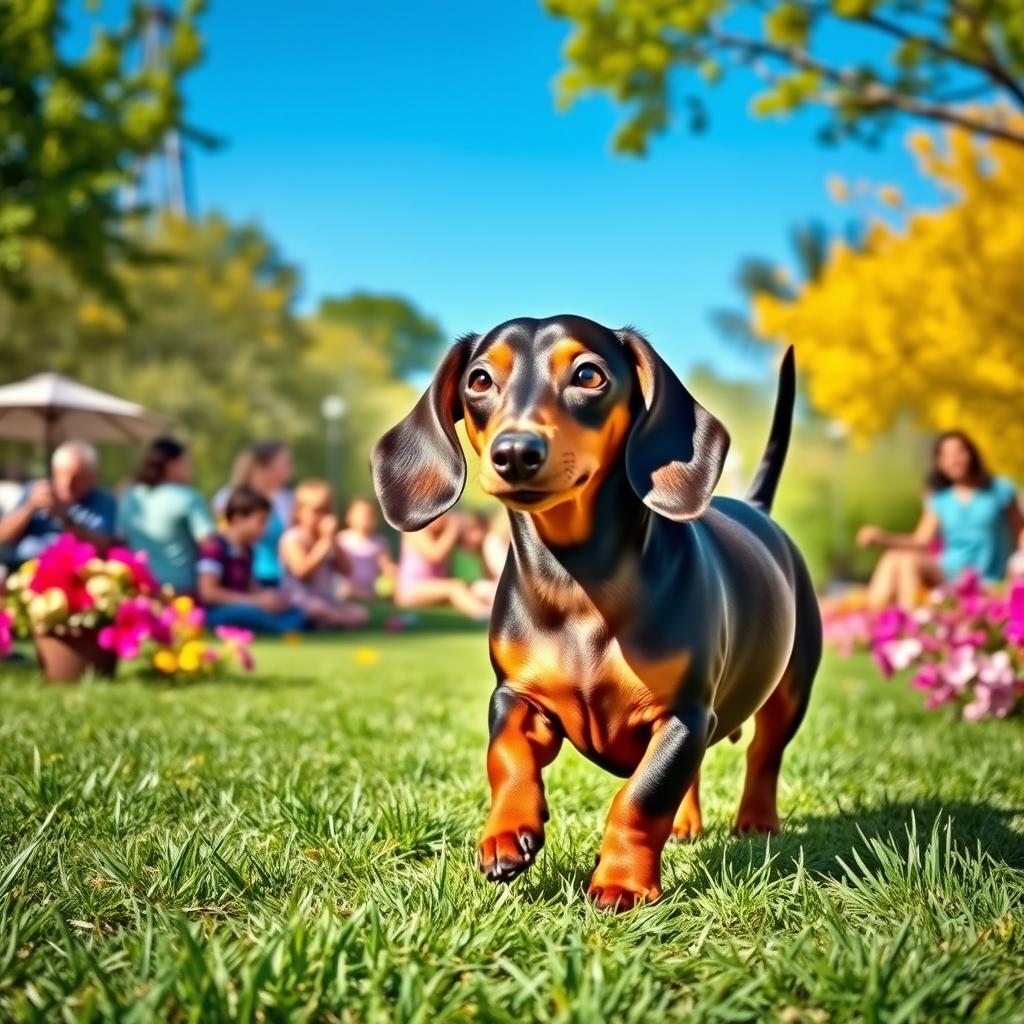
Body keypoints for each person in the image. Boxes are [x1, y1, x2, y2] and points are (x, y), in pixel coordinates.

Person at [857, 430, 1024, 609]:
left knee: (906, 560)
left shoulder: (999, 490)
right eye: (946, 455)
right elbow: (921, 541)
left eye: (959, 452)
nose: (953, 459)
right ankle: (885, 616)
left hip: (985, 574)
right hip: (949, 570)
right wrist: (882, 538)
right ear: (939, 463)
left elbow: (1021, 530)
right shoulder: (940, 500)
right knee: (894, 557)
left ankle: (907, 623)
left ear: (972, 454)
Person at [197, 485, 306, 634]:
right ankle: (281, 627)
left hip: (247, 606)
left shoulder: (248, 550)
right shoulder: (215, 547)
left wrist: (270, 599)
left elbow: (251, 588)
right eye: (261, 521)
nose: (265, 528)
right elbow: (208, 593)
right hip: (218, 612)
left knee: (295, 612)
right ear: (238, 519)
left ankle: (283, 625)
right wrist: (256, 602)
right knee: (248, 614)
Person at [117, 437, 215, 594]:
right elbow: (210, 544)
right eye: (186, 463)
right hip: (182, 591)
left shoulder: (131, 498)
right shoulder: (187, 498)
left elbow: (121, 541)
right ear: (171, 465)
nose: (190, 469)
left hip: (140, 589)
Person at [0, 441, 116, 566]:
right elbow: (3, 536)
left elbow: (103, 545)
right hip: (22, 566)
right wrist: (29, 508)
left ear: (93, 477)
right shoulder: (34, 491)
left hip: (75, 571)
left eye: (77, 477)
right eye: (63, 474)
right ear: (54, 473)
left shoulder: (103, 500)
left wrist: (64, 519)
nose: (69, 484)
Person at [279, 480, 369, 628]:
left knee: (360, 613)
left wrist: (333, 541)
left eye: (326, 511)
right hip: (299, 602)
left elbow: (347, 570)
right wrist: (324, 544)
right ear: (299, 512)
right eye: (316, 511)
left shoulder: (328, 538)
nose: (322, 516)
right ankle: (330, 621)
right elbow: (302, 572)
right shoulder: (292, 538)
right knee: (317, 610)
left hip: (326, 601)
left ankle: (332, 620)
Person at [213, 441, 294, 587]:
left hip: (281, 579)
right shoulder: (228, 497)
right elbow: (223, 541)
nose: (291, 470)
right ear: (265, 467)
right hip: (243, 579)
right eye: (285, 463)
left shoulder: (286, 500)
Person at [395, 511, 491, 619]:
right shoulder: (414, 529)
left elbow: (470, 546)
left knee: (475, 591)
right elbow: (435, 555)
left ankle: (496, 611)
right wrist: (453, 527)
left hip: (435, 589)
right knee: (454, 587)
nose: (437, 519)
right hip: (411, 590)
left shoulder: (443, 534)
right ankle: (484, 615)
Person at [338, 497, 396, 600]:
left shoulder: (378, 542)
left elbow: (385, 564)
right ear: (349, 517)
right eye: (360, 515)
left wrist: (394, 572)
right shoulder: (343, 539)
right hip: (346, 588)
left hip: (368, 589)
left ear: (374, 520)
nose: (364, 519)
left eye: (368, 516)